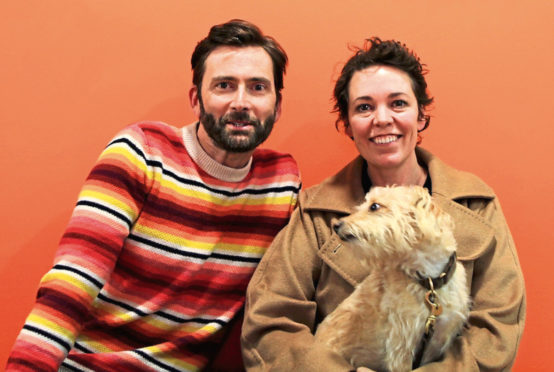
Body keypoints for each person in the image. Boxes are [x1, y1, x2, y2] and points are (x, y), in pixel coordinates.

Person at [7, 19, 301, 372]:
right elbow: (73, 280)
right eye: (224, 86)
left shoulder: (282, 184)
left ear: (277, 106)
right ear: (196, 99)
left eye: (257, 87)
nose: (241, 102)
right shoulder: (142, 152)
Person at [241, 37, 525, 371]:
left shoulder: (477, 204)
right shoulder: (316, 213)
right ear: (348, 126)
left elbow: (496, 332)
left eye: (398, 103)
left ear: (421, 115)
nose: (382, 119)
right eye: (364, 107)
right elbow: (271, 324)